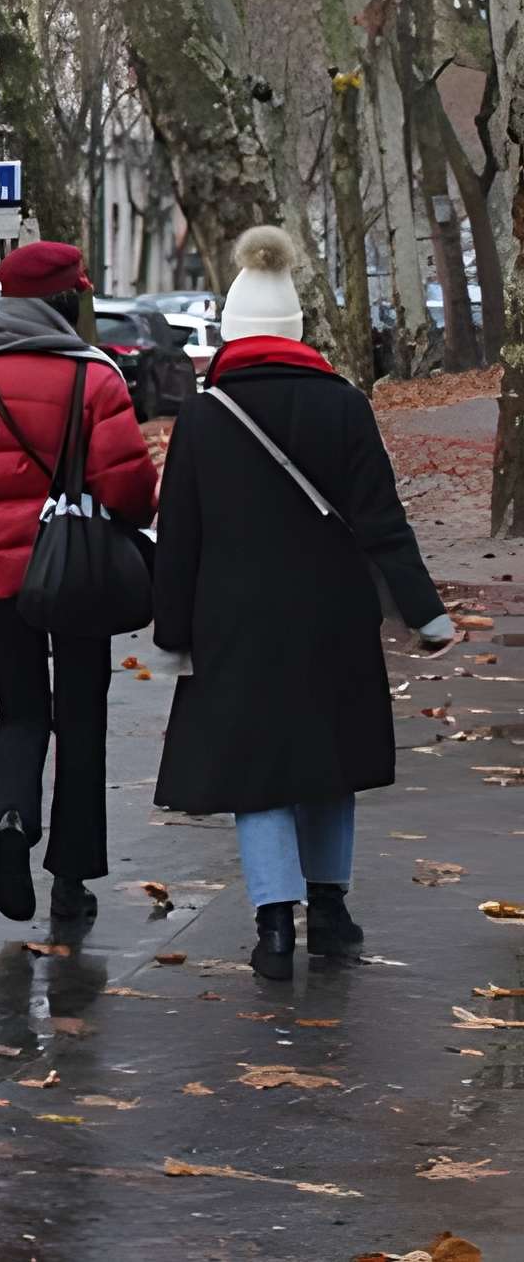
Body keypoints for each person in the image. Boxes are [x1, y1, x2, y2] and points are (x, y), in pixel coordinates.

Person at [153, 226, 456, 981]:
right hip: (333, 616)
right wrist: (424, 612)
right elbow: (383, 520)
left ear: (230, 331)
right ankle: (331, 911)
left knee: (257, 773)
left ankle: (272, 926)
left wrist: (173, 633)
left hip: (235, 623)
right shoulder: (346, 406)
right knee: (330, 761)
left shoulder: (203, 417)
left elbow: (179, 537)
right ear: (298, 331)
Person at [0, 239, 158, 926]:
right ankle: (71, 877)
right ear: (66, 302)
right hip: (80, 573)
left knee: (19, 709)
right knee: (81, 715)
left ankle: (11, 825)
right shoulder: (95, 379)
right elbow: (132, 490)